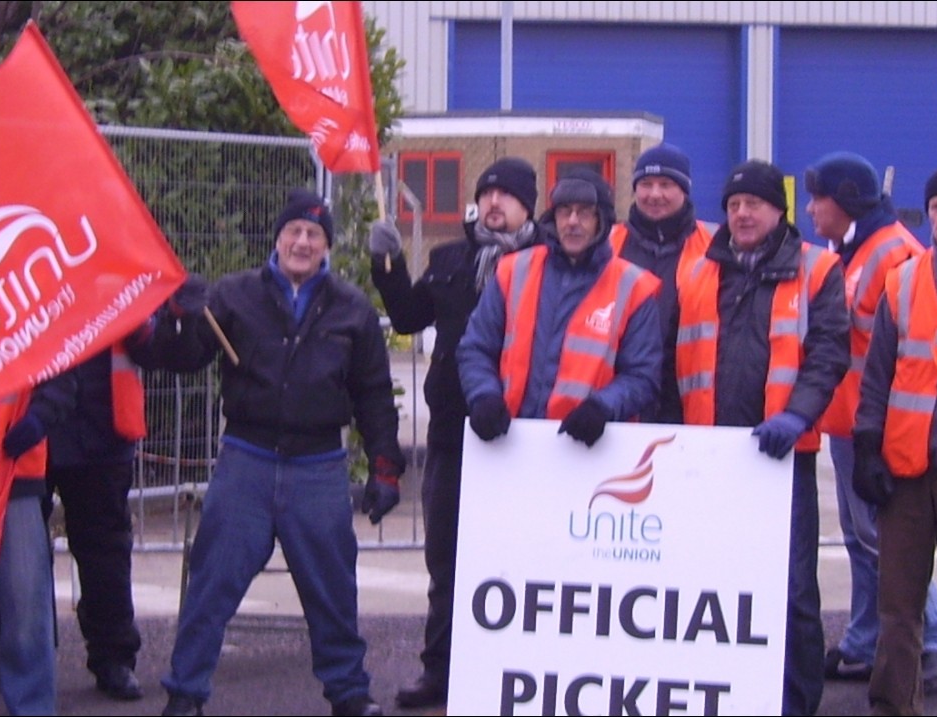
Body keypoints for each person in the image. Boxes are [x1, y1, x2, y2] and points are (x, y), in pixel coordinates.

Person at [146, 188, 407, 717]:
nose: (303, 242)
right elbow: (184, 358)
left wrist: (385, 466)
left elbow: (374, 395)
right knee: (212, 583)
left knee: (333, 588)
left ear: (328, 247)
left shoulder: (352, 310)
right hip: (247, 461)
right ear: (278, 237)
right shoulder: (234, 295)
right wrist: (178, 316)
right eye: (294, 231)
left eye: (314, 235)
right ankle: (185, 693)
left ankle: (349, 693)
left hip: (318, 470)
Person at [674, 159, 850, 715]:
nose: (743, 214)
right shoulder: (700, 269)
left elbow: (827, 354)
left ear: (780, 210)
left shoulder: (818, 270)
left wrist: (797, 416)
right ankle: (724, 693)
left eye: (754, 203)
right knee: (713, 583)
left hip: (781, 458)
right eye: (733, 205)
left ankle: (795, 702)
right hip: (710, 456)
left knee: (793, 589)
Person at [368, 157, 540, 709]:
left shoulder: (549, 262)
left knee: (522, 565)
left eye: (507, 196)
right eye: (487, 193)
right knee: (446, 563)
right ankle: (439, 674)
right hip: (453, 434)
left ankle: (518, 672)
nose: (495, 203)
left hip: (527, 443)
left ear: (527, 207)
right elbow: (408, 318)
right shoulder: (449, 258)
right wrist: (387, 263)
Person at [804, 151, 937, 687]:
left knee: (882, 540)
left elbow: (907, 352)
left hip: (882, 425)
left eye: (817, 198)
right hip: (850, 422)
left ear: (843, 201)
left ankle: (934, 640)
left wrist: (877, 431)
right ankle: (866, 640)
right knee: (861, 539)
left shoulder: (891, 254)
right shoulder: (855, 249)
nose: (809, 209)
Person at [855, 159, 937, 716]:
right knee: (897, 605)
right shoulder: (904, 279)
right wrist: (866, 442)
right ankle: (892, 705)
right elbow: (878, 370)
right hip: (906, 467)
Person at [457, 168, 663, 449]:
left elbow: (643, 375)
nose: (573, 222)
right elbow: (476, 346)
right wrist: (483, 396)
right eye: (565, 211)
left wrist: (602, 407)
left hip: (590, 449)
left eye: (584, 213)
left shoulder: (634, 287)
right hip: (511, 443)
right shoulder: (513, 270)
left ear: (602, 220)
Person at [41, 341, 160, 702]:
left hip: (101, 422)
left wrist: (174, 316)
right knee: (13, 552)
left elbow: (152, 346)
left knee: (106, 554)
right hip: (25, 423)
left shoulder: (116, 281)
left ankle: (113, 656)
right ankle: (4, 651)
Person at [0, 374, 76, 716]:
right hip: (13, 462)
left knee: (25, 605)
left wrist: (41, 416)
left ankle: (33, 707)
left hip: (13, 470)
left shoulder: (28, 317)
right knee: (25, 605)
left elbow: (62, 372)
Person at [609, 142, 714, 422]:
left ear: (684, 189)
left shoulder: (716, 247)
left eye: (666, 184)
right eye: (646, 184)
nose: (655, 194)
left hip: (686, 405)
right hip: (618, 401)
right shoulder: (609, 245)